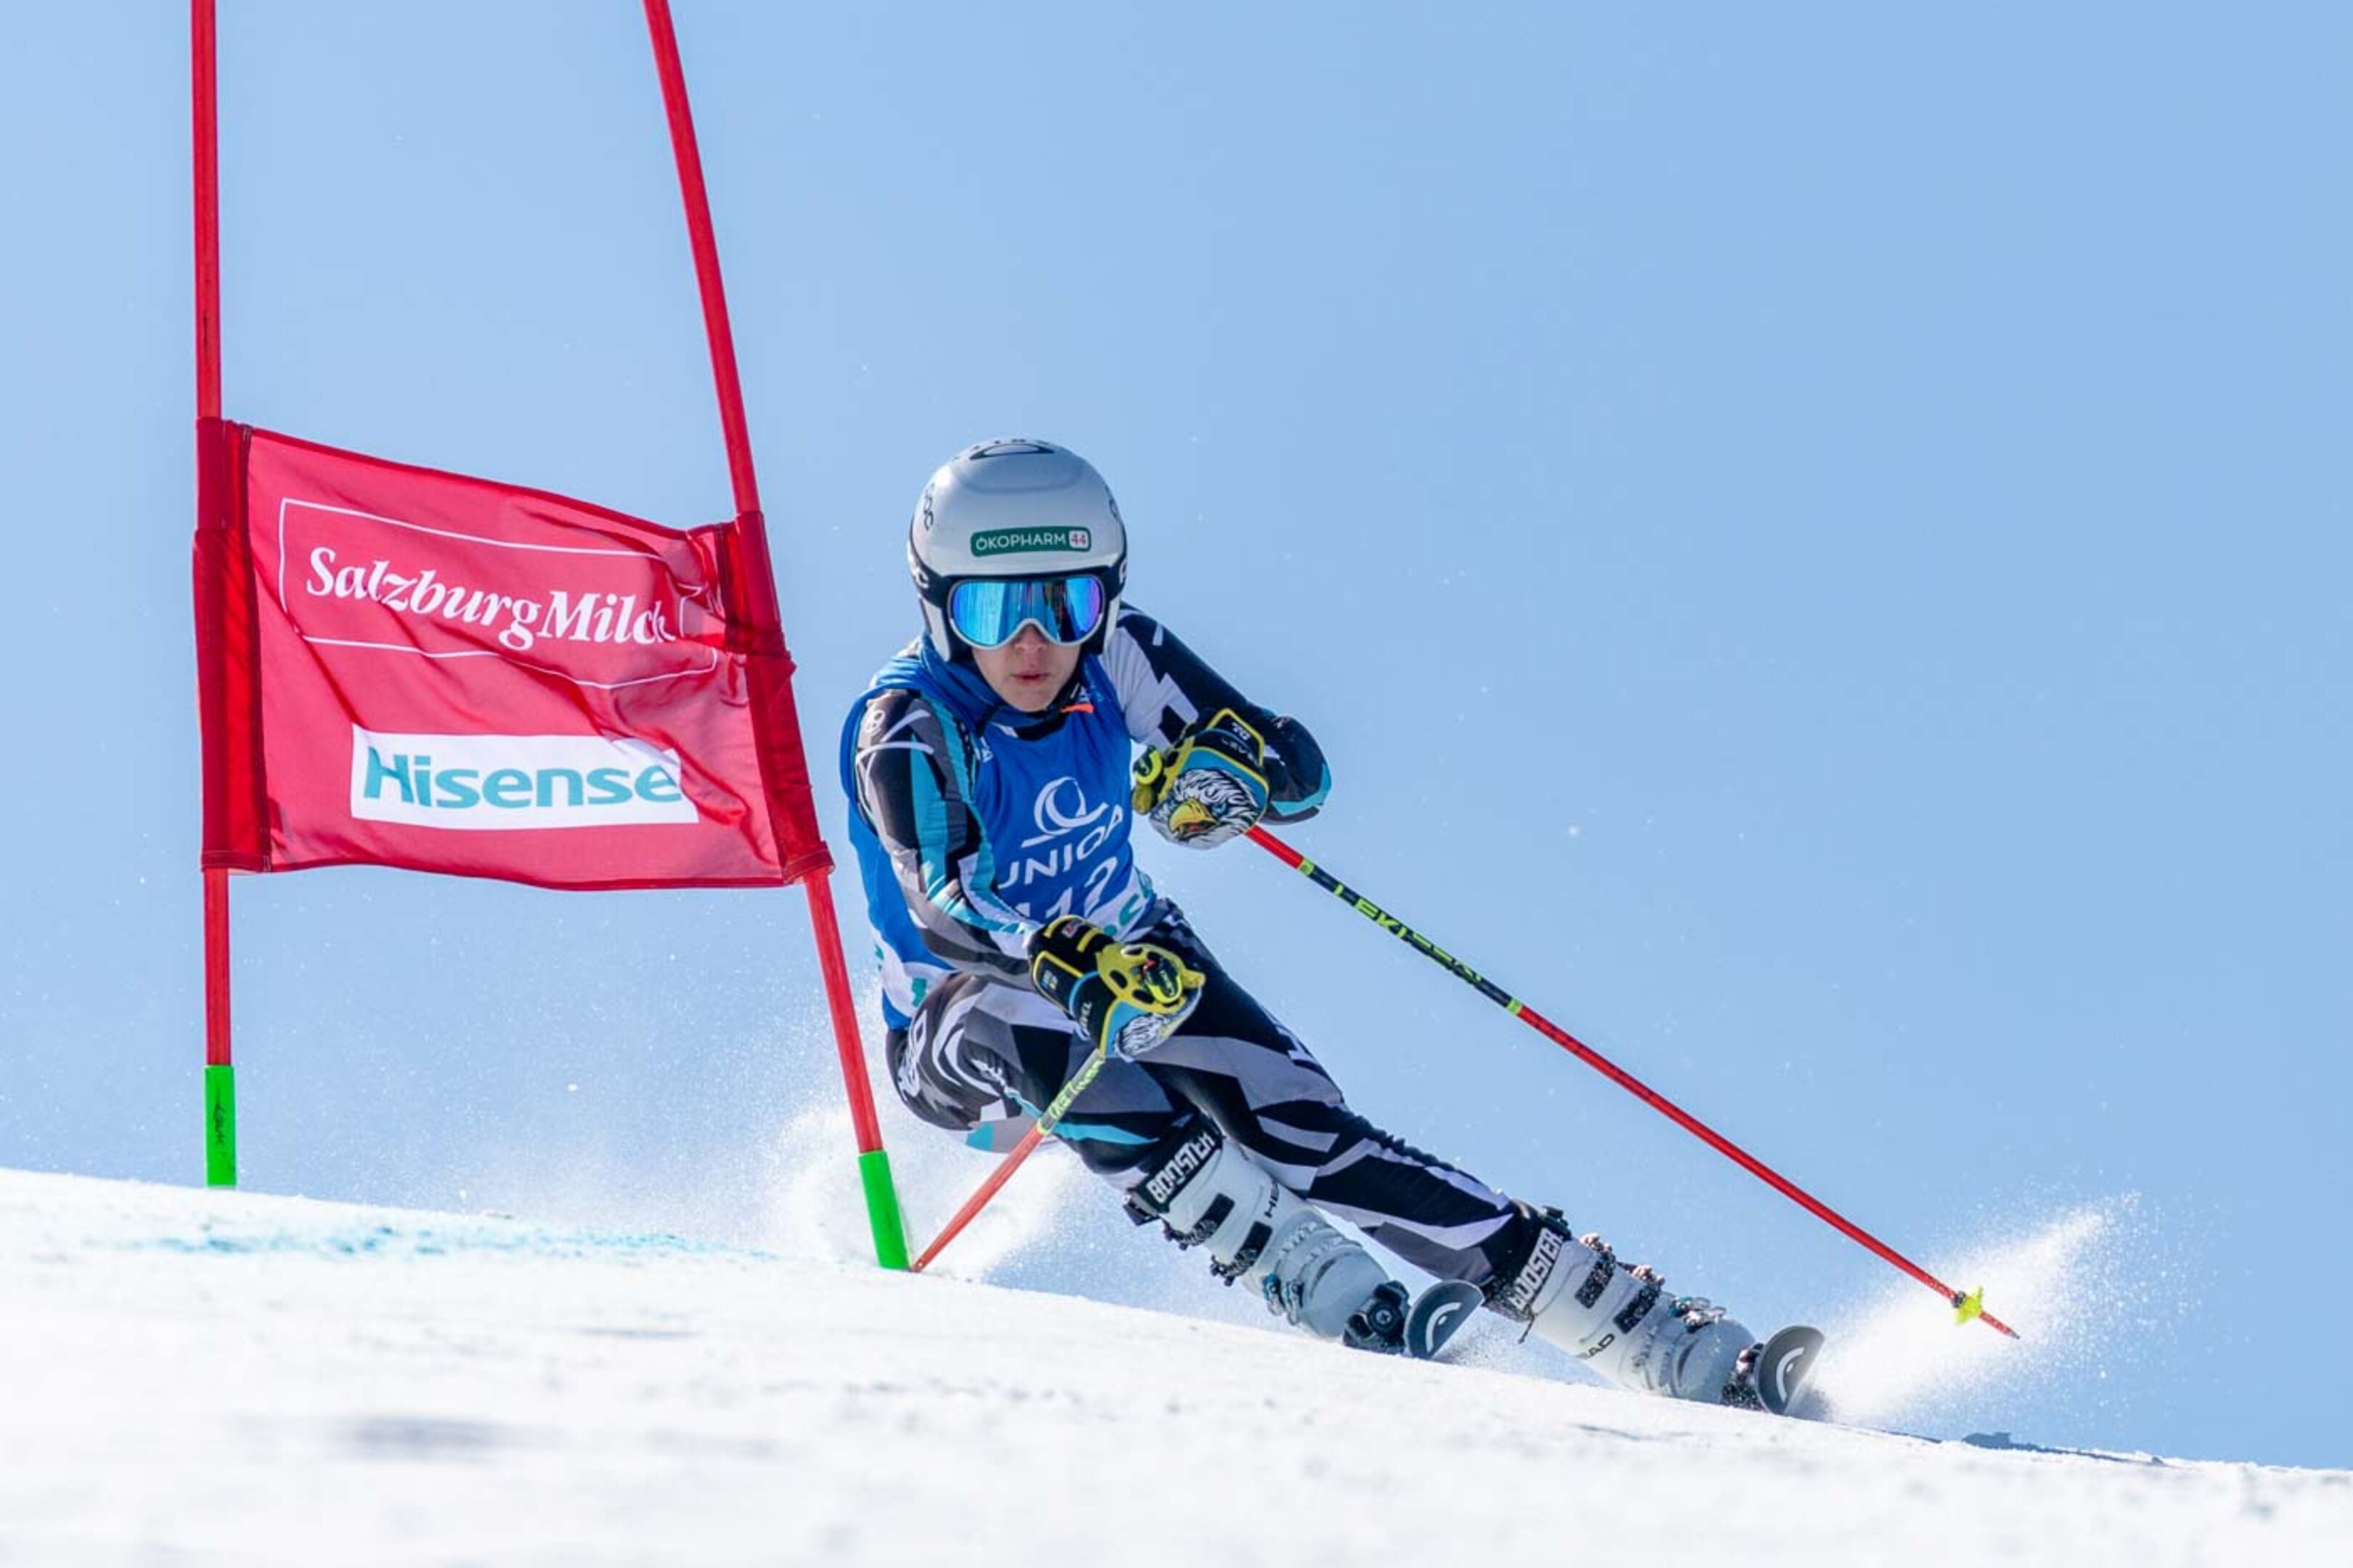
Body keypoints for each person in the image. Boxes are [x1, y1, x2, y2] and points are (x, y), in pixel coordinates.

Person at [840, 438, 1771, 1404]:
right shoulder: (905, 725)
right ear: (937, 606)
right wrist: (1053, 960)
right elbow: (941, 901)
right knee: (1020, 1023)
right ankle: (1313, 1276)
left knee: (1298, 1129)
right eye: (994, 612)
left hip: (1131, 958)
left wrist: (1233, 775)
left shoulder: (1117, 655)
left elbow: (1296, 769)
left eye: (1066, 604)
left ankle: (1638, 1330)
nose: (1034, 645)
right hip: (958, 1029)